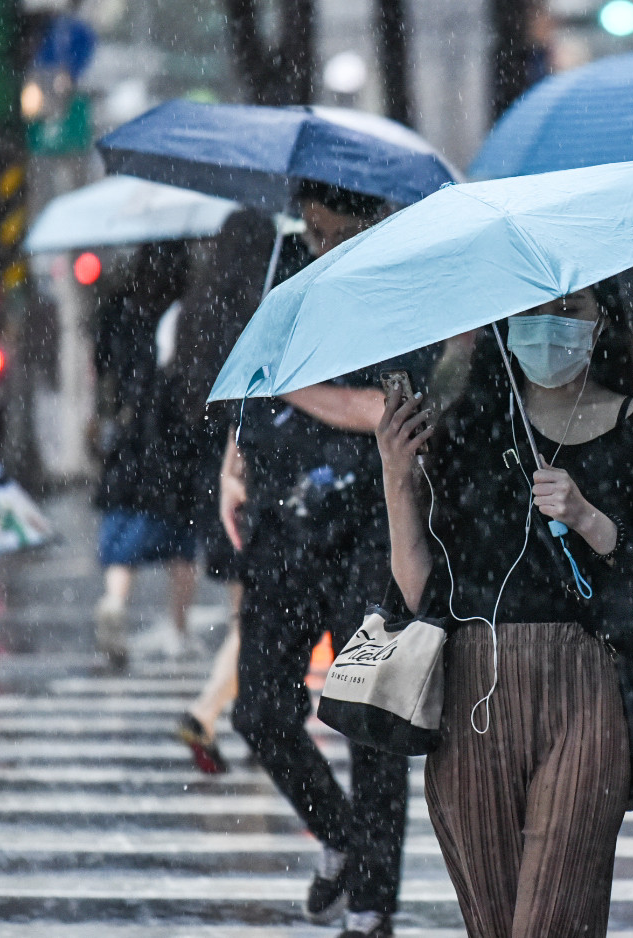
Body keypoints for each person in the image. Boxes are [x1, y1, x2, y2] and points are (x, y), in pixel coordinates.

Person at [376, 286, 633, 938]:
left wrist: (587, 518)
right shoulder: (468, 431)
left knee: (555, 921)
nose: (548, 328)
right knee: (492, 926)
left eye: (568, 310)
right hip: (472, 691)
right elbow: (415, 595)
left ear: (600, 318)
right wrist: (395, 478)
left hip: (585, 690)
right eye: (530, 311)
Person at [219, 181, 430, 937]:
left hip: (374, 523)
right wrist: (233, 460)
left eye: (335, 232)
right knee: (259, 709)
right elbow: (254, 384)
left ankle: (373, 899)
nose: (321, 247)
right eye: (312, 231)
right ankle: (341, 835)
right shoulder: (289, 275)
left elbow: (389, 410)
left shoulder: (407, 290)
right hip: (284, 522)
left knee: (368, 714)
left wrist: (300, 384)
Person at [163, 208, 281, 774]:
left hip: (208, 474)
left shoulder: (194, 311)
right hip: (251, 470)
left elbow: (181, 398)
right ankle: (211, 711)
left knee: (248, 613)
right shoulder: (262, 311)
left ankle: (241, 718)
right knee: (257, 617)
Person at [89, 241, 195, 671]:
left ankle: (114, 601)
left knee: (124, 524)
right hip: (174, 436)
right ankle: (178, 629)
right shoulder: (186, 311)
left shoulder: (120, 307)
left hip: (130, 434)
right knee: (181, 541)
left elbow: (102, 363)